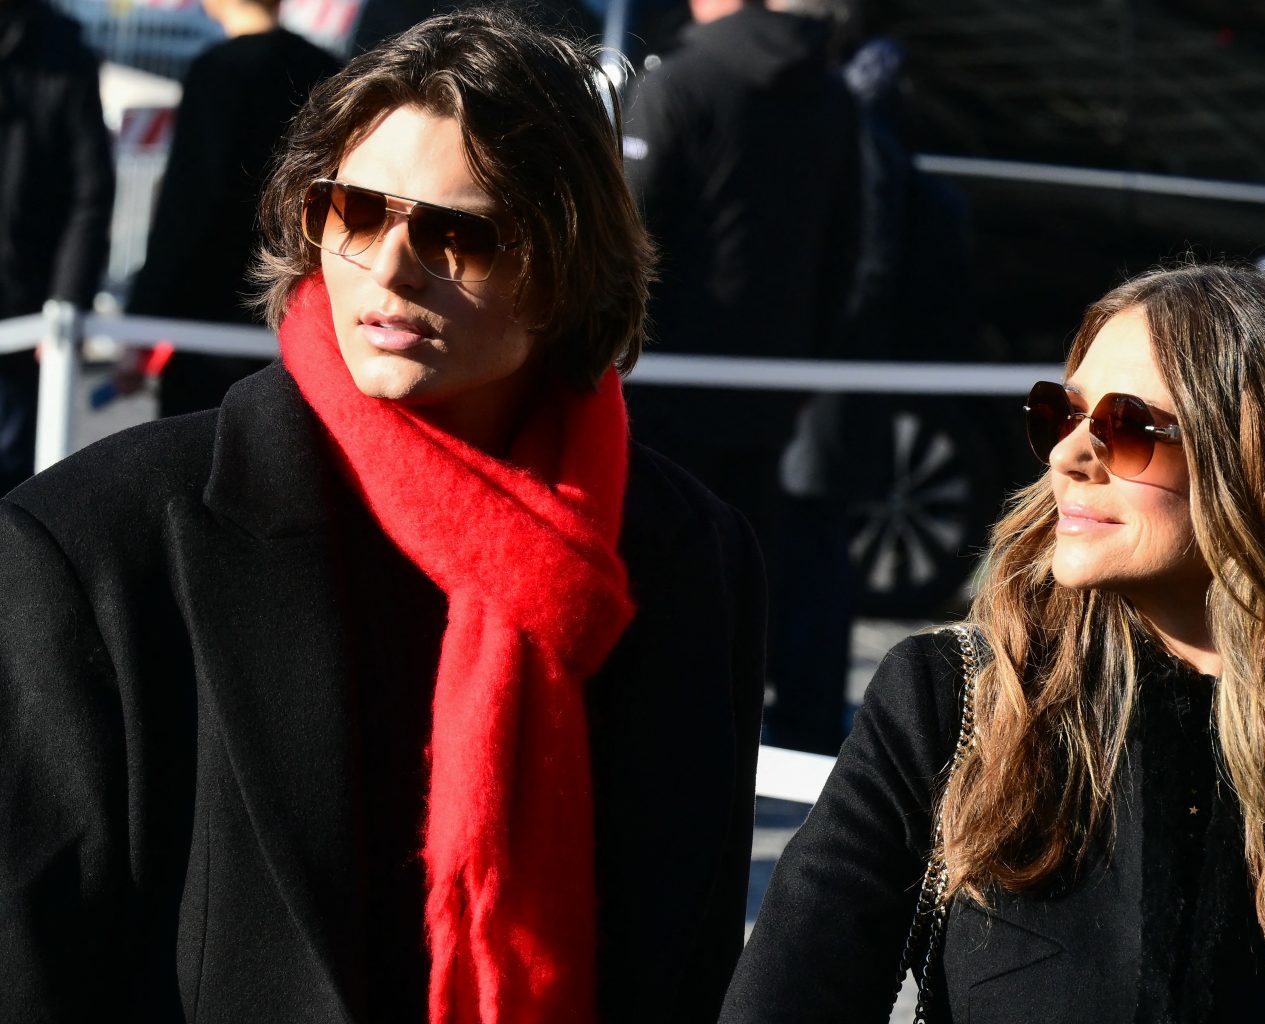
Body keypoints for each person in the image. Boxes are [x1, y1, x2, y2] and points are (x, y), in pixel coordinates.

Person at [0, 9, 764, 1023]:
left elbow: (694, 957)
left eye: (458, 234)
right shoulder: (99, 545)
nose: (391, 268)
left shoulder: (694, 555)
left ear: (568, 262)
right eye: (354, 212)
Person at [721, 263, 1265, 1023]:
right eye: (1061, 414)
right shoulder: (953, 700)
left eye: (1127, 428)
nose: (1069, 456)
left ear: (1261, 461)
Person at [622, 0, 860, 755]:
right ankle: (721, 743)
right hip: (768, 391)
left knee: (656, 577)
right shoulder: (832, 96)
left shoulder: (678, 84)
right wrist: (803, 364)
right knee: (739, 582)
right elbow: (844, 248)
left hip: (665, 386)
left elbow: (627, 238)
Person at [124, 0, 338, 416]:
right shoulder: (325, 69)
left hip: (209, 312)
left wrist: (142, 318)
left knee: (201, 444)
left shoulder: (216, 71)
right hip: (297, 301)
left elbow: (187, 203)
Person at [0, 0, 114, 493]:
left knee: (13, 482)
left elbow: (90, 192)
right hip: (27, 300)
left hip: (24, 313)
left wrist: (66, 302)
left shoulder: (63, 53)